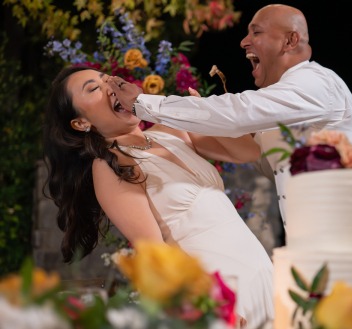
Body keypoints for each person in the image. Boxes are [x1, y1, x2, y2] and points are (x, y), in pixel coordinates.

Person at [43, 65, 274, 329]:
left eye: (107, 79)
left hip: (260, 272)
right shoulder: (110, 165)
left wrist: (207, 115)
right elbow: (152, 249)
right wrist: (206, 304)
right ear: (82, 122)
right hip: (218, 293)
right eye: (94, 88)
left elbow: (248, 153)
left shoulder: (174, 130)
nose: (109, 86)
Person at [106, 4, 352, 226]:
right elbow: (259, 157)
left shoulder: (315, 83)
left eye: (256, 32)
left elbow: (237, 112)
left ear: (290, 40)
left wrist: (142, 103)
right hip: (311, 244)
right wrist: (200, 122)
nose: (244, 42)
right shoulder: (284, 102)